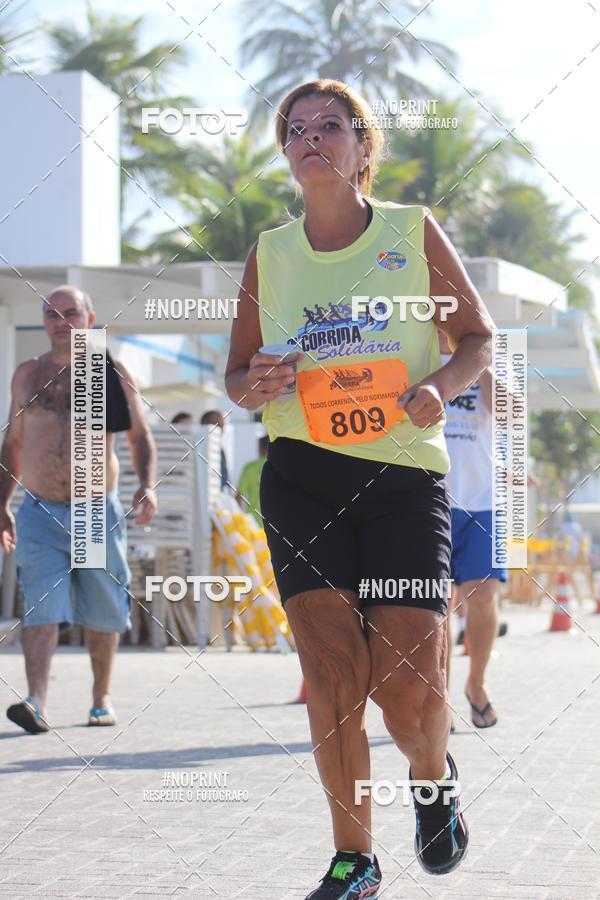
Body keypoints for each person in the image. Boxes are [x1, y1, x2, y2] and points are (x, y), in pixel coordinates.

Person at [225, 79, 494, 898]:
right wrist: (256, 380)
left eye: (329, 126)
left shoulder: (412, 234)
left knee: (405, 691)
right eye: (295, 129)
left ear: (362, 147)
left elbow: (476, 339)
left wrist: (441, 387)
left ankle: (432, 773)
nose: (311, 138)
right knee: (336, 670)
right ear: (286, 153)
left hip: (404, 478)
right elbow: (236, 377)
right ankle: (355, 859)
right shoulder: (269, 253)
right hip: (302, 475)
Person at [0, 286, 157, 734]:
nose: (60, 322)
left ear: (89, 319)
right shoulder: (27, 376)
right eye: (51, 314)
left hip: (94, 511)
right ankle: (36, 701)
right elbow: (13, 444)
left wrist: (147, 486)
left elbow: (139, 437)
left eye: (70, 313)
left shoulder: (108, 370)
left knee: (105, 608)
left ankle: (100, 697)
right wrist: (2, 504)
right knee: (41, 603)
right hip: (39, 511)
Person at [439, 331, 508, 729]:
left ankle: (476, 685)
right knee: (437, 606)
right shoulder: (418, 360)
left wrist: (478, 362)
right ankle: (439, 699)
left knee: (484, 599)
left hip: (483, 503)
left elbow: (512, 415)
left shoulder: (487, 367)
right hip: (429, 501)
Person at [235, 435, 269, 524]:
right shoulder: (278, 468)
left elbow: (239, 496)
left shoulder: (249, 467)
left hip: (253, 523)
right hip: (273, 524)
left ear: (260, 449)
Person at [200, 410, 230, 490]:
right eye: (218, 426)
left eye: (222, 426)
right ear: (205, 425)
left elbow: (223, 478)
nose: (221, 430)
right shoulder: (197, 448)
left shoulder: (219, 450)